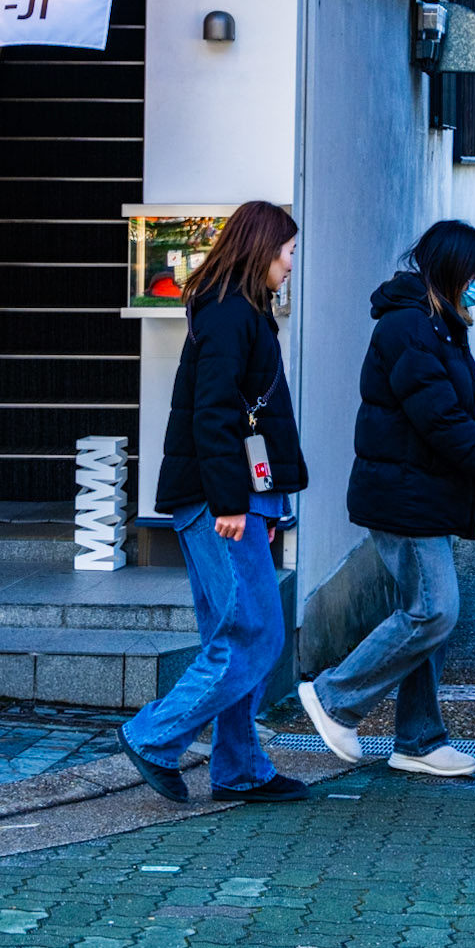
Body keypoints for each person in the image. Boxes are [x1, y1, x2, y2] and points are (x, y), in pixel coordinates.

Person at [298, 221, 475, 777]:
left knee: (421, 616)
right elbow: (438, 417)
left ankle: (418, 739)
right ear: (453, 268)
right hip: (403, 493)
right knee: (435, 610)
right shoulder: (407, 327)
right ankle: (335, 698)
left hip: (424, 490)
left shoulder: (442, 325)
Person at [118, 201, 309, 805]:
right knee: (253, 633)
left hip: (231, 500)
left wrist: (262, 503)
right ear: (263, 249)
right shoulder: (231, 313)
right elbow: (215, 414)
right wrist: (232, 502)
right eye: (288, 253)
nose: (290, 265)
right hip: (219, 502)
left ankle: (239, 768)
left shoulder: (236, 308)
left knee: (231, 635)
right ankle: (154, 737)